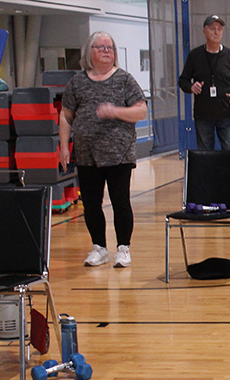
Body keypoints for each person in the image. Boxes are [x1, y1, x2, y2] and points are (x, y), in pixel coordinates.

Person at [59, 31, 147, 268]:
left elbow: (141, 110)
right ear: (90, 52)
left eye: (110, 47)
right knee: (91, 203)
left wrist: (115, 111)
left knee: (120, 201)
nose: (107, 50)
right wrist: (64, 147)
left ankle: (123, 248)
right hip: (87, 155)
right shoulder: (77, 82)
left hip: (119, 154)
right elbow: (66, 116)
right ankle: (99, 247)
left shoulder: (124, 80)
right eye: (101, 47)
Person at [178, 14, 230, 151]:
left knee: (229, 152)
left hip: (226, 114)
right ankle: (207, 173)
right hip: (203, 115)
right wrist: (191, 87)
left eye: (219, 29)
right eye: (212, 28)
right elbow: (183, 80)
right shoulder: (195, 56)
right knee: (205, 155)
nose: (216, 32)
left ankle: (228, 173)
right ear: (204, 31)